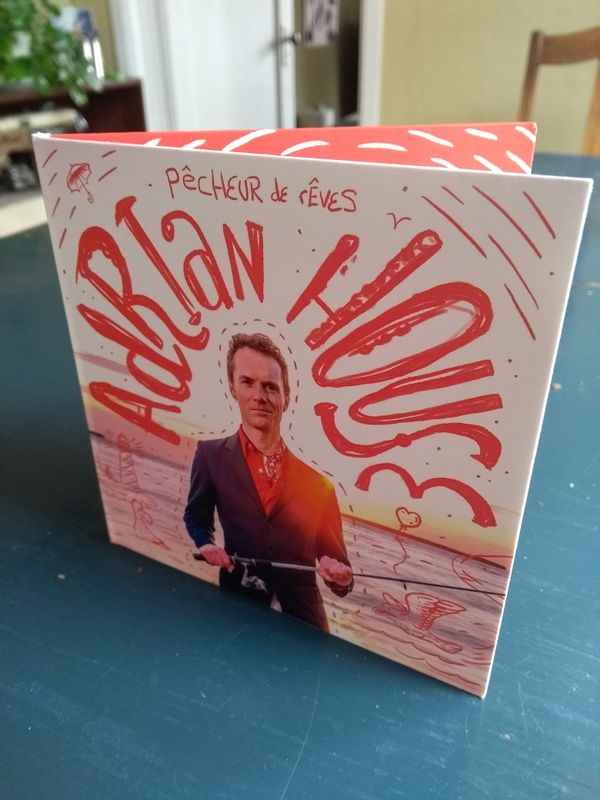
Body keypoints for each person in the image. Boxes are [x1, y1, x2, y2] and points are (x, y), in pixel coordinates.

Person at [184, 332, 353, 631]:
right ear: (233, 387)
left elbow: (342, 578)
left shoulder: (320, 487)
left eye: (270, 387)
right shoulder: (210, 455)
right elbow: (196, 516)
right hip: (236, 610)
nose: (259, 396)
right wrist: (205, 543)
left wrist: (341, 577)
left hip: (304, 624)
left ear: (285, 396)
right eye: (247, 382)